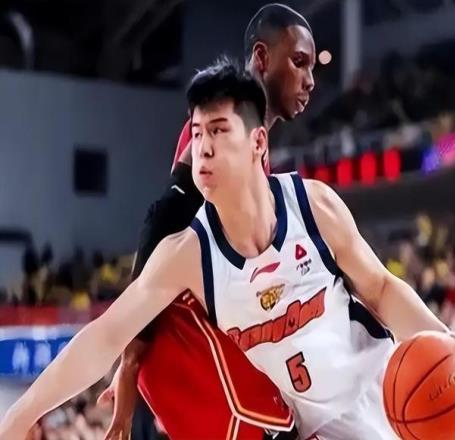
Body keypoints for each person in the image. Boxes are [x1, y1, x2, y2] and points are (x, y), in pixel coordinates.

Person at [0, 59, 455, 440]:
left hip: (392, 393)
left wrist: (442, 339)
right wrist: (20, 414)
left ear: (257, 142)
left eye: (218, 130)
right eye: (197, 133)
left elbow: (381, 288)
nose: (203, 148)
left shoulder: (313, 205)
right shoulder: (188, 254)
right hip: (318, 430)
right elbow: (104, 337)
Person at [99, 4, 315, 439]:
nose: (310, 80)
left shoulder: (252, 148)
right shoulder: (216, 134)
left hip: (203, 343)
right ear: (261, 57)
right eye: (299, 62)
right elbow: (162, 221)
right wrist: (129, 367)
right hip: (180, 342)